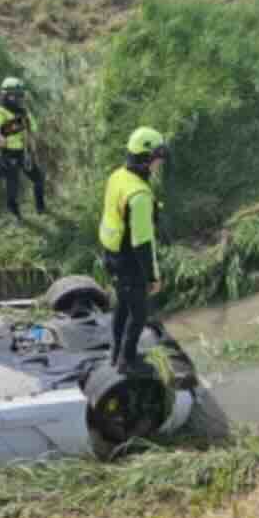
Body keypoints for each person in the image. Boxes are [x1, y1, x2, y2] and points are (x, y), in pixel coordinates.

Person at [100, 127, 170, 375]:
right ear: (145, 159)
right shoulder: (139, 196)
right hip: (130, 260)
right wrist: (152, 277)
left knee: (122, 305)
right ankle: (126, 361)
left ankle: (116, 350)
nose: (159, 164)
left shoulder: (118, 176)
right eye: (157, 159)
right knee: (139, 314)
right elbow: (142, 243)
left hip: (111, 253)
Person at [0, 78, 46, 219]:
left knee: (39, 179)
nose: (19, 99)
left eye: (21, 95)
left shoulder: (24, 113)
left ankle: (41, 207)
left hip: (23, 152)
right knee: (13, 186)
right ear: (6, 95)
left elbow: (32, 131)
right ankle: (14, 210)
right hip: (7, 154)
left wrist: (32, 150)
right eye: (16, 95)